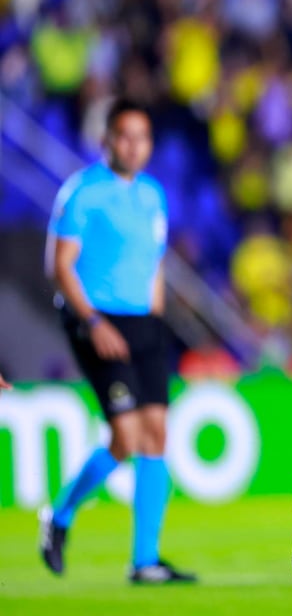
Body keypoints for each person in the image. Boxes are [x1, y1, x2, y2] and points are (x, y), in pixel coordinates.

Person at [39, 98, 196, 584]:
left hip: (142, 323)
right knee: (126, 437)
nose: (133, 146)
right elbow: (60, 265)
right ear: (106, 139)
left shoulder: (152, 195)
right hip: (95, 319)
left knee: (155, 436)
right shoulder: (82, 192)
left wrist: (155, 322)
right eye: (124, 136)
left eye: (142, 138)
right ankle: (59, 516)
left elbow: (153, 264)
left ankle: (145, 561)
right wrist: (93, 322)